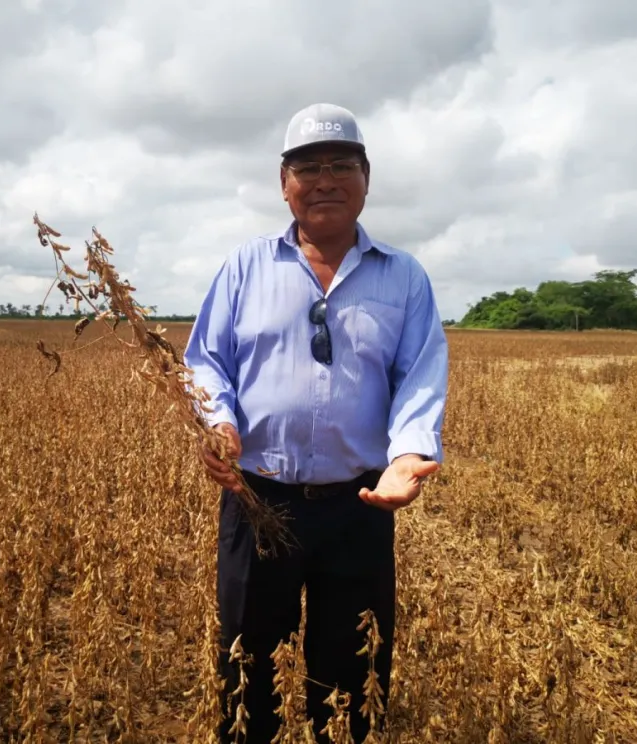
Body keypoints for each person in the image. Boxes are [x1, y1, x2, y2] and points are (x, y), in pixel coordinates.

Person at [183, 102, 449, 743]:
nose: (324, 179)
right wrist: (218, 421)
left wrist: (409, 456)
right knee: (247, 668)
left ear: (365, 176)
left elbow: (419, 375)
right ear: (284, 183)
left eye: (340, 165)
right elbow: (205, 363)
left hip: (360, 505)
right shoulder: (245, 266)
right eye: (307, 167)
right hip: (257, 501)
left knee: (352, 677)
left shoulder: (404, 276)